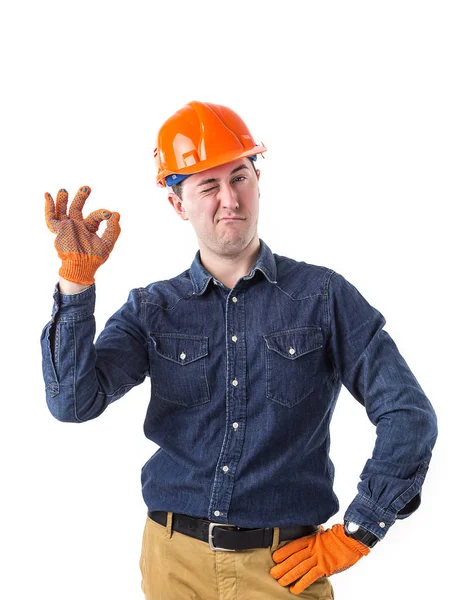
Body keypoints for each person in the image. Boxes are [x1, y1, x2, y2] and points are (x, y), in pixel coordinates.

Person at [41, 100, 438, 599]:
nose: (229, 198)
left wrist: (362, 528)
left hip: (284, 569)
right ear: (177, 203)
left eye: (240, 177)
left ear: (257, 180)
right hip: (172, 565)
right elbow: (73, 404)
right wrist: (75, 284)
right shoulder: (152, 308)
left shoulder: (322, 296)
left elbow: (409, 413)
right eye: (208, 185)